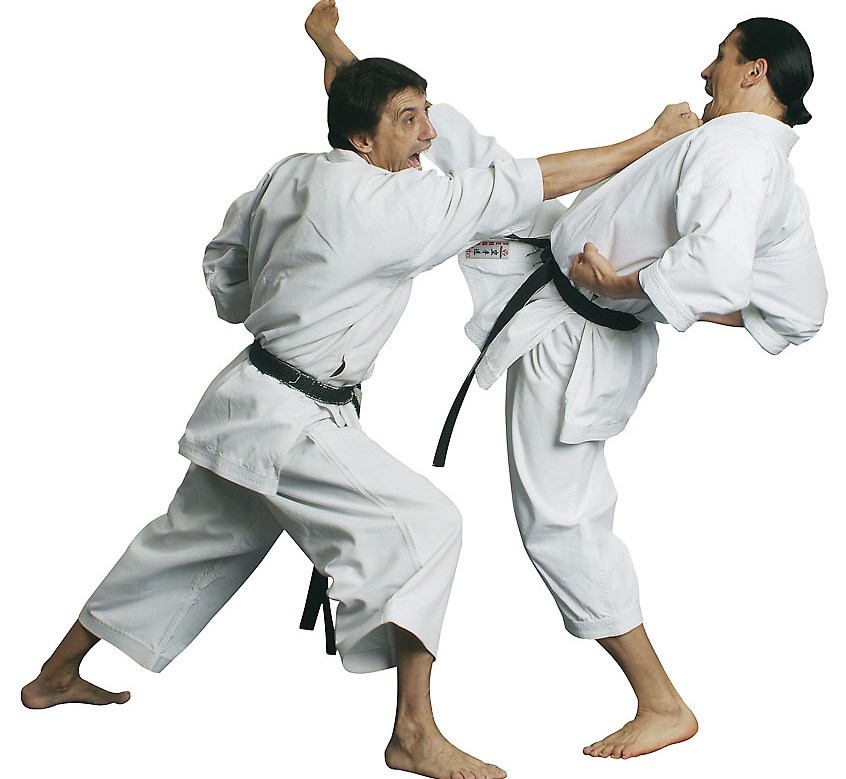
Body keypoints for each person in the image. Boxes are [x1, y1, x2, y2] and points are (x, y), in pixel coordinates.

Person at [20, 3, 698, 778]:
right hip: (294, 421)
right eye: (411, 122)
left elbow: (228, 253)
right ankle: (414, 732)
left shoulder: (295, 171)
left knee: (187, 541)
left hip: (249, 394)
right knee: (428, 527)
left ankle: (55, 674)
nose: (429, 136)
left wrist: (327, 45)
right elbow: (530, 180)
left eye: (426, 114)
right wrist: (652, 139)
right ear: (365, 141)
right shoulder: (394, 209)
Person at [436, 16, 825, 761]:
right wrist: (650, 281)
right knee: (483, 164)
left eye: (721, 58)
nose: (706, 71)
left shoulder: (738, 152)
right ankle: (363, 85)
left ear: (756, 71)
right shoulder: (749, 152)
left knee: (560, 522)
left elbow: (723, 277)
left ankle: (661, 701)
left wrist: (628, 287)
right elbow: (800, 308)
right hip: (554, 280)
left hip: (578, 344)